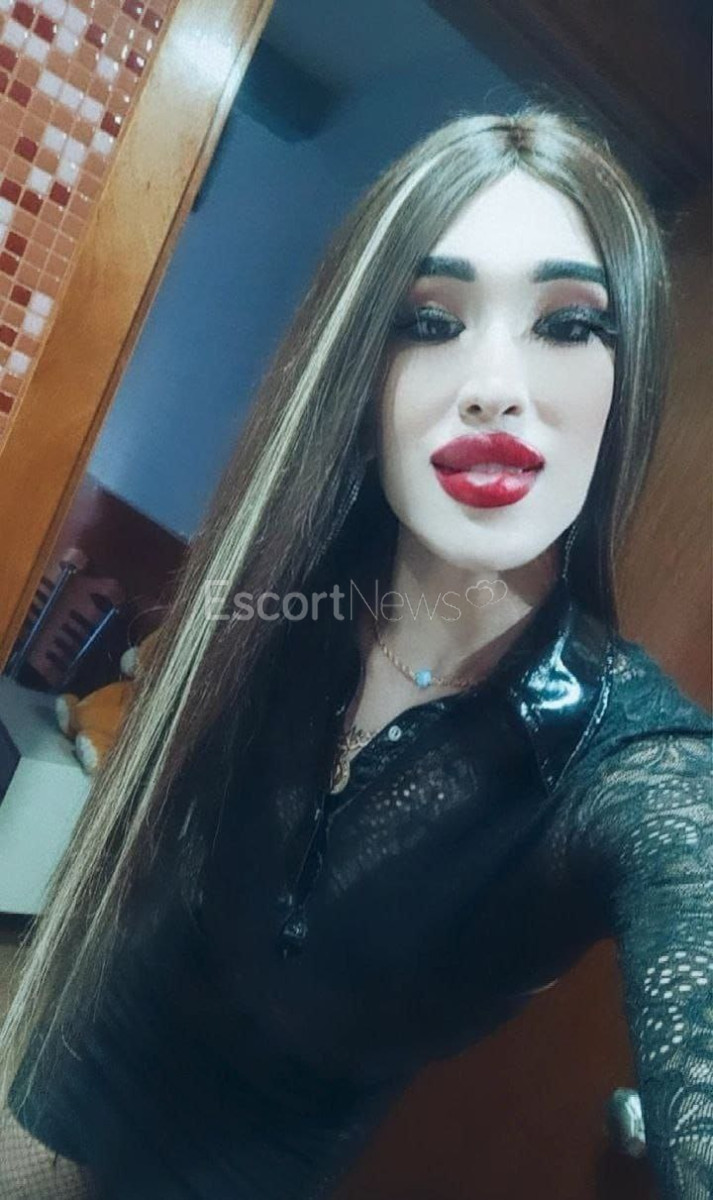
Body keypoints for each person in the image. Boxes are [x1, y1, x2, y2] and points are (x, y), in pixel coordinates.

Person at [0, 105, 711, 1200]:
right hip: (79, 1050)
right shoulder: (281, 587)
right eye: (427, 321)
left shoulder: (636, 769)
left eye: (568, 325)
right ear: (361, 376)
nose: (493, 385)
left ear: (627, 381)